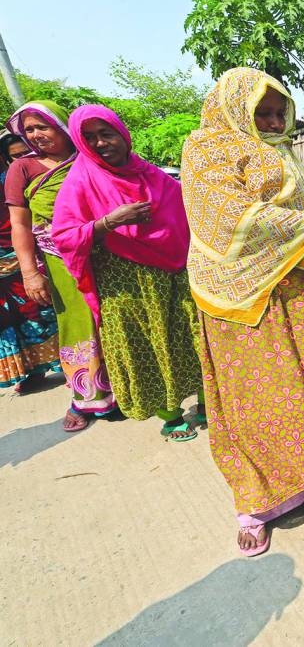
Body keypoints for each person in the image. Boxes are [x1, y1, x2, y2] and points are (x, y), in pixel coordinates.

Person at [181, 67, 304, 555]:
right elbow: (227, 220)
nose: (268, 121)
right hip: (239, 298)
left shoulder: (282, 152)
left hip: (295, 290)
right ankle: (256, 504)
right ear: (232, 109)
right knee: (252, 400)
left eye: (276, 112)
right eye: (259, 112)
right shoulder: (205, 148)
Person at [51, 105, 204, 441]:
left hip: (173, 273)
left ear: (123, 133)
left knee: (188, 336)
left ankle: (208, 402)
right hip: (124, 281)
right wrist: (110, 221)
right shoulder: (81, 179)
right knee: (146, 346)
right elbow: (62, 235)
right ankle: (171, 415)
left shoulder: (151, 174)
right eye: (89, 138)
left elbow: (188, 211)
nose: (101, 143)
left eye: (107, 133)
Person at [4, 102, 117, 430]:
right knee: (76, 323)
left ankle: (123, 389)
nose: (35, 135)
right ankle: (84, 398)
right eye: (29, 130)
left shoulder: (88, 157)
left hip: (105, 252)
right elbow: (20, 226)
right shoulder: (22, 169)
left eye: (43, 126)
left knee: (113, 319)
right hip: (59, 260)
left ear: (61, 125)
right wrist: (30, 272)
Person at [1, 133, 61, 393]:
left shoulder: (26, 179)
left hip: (32, 253)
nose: (22, 159)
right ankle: (31, 372)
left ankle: (69, 365)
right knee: (12, 321)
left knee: (42, 312)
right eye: (15, 155)